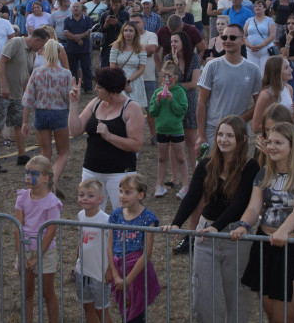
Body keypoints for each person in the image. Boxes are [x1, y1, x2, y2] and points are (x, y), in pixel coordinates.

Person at [162, 115, 259, 323]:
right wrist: (176, 223)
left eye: (229, 136)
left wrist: (217, 227)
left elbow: (240, 203)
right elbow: (193, 195)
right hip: (205, 233)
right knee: (203, 295)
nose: (223, 139)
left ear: (242, 139)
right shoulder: (206, 163)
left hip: (235, 234)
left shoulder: (250, 167)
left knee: (235, 294)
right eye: (220, 134)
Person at [230, 122, 294, 323]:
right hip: (265, 246)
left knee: (285, 318)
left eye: (279, 142)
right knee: (271, 315)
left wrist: (283, 231)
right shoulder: (264, 173)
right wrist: (243, 224)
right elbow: (253, 208)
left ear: (292, 145)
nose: (272, 147)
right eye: (270, 142)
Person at [68, 66, 146, 210]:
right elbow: (74, 130)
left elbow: (136, 145)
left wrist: (109, 136)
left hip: (120, 173)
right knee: (91, 216)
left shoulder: (132, 108)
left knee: (123, 216)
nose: (96, 89)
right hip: (91, 170)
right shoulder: (96, 103)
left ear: (111, 91)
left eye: (99, 87)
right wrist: (73, 103)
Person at [0, 28, 47, 173]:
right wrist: (4, 85)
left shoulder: (30, 52)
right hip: (1, 93)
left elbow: (25, 73)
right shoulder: (15, 43)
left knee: (19, 123)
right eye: (41, 44)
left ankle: (21, 155)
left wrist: (27, 93)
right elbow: (1, 63)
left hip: (17, 94)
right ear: (36, 40)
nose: (41, 48)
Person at [196, 23, 262, 150]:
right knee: (212, 169)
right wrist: (201, 136)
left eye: (232, 37)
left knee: (237, 169)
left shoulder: (253, 70)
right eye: (224, 37)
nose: (227, 41)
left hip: (239, 132)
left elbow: (259, 104)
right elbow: (202, 102)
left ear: (243, 40)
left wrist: (238, 121)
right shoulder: (212, 66)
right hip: (213, 130)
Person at [15, 155, 62, 323]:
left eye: (33, 173)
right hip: (25, 249)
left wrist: (37, 257)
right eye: (26, 172)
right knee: (27, 292)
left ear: (45, 178)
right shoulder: (22, 197)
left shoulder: (52, 202)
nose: (28, 177)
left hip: (45, 251)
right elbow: (17, 226)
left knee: (47, 293)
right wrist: (21, 255)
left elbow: (50, 232)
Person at [107, 174, 160, 323]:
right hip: (119, 270)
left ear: (140, 195)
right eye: (121, 191)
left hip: (137, 273)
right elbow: (110, 246)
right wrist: (116, 276)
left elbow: (147, 253)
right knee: (125, 313)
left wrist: (128, 280)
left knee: (135, 317)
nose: (122, 196)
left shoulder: (148, 218)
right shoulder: (116, 215)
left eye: (128, 192)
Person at [22, 40, 75, 182]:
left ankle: (43, 180)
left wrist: (24, 122)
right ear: (58, 54)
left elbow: (28, 98)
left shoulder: (37, 72)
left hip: (41, 113)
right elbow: (69, 98)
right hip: (60, 113)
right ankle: (53, 180)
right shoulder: (66, 74)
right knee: (63, 152)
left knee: (45, 153)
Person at [74, 178, 111, 323]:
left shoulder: (106, 220)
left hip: (99, 273)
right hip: (82, 270)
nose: (85, 198)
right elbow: (83, 236)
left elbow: (112, 245)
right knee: (87, 306)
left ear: (100, 199)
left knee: (102, 309)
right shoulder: (80, 215)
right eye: (81, 195)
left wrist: (110, 270)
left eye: (90, 195)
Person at [149, 60, 188, 198]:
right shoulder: (158, 92)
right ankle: (159, 186)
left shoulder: (180, 92)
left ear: (176, 77)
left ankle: (185, 186)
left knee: (181, 158)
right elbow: (152, 112)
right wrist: (158, 101)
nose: (167, 79)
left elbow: (182, 111)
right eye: (164, 76)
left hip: (176, 130)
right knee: (161, 158)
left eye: (169, 76)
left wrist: (172, 101)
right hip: (161, 130)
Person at [109, 22, 147, 109]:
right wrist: (123, 82)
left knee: (135, 109)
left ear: (135, 33)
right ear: (122, 32)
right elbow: (112, 65)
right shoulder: (117, 44)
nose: (128, 33)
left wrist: (128, 81)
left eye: (131, 31)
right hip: (118, 80)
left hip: (135, 81)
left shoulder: (140, 47)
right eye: (125, 30)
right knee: (119, 108)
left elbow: (141, 69)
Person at [64, 2, 94, 93]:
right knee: (72, 69)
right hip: (71, 49)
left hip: (84, 49)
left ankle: (88, 88)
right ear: (71, 9)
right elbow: (65, 32)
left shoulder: (87, 19)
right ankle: (75, 87)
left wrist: (78, 36)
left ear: (81, 8)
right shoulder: (67, 20)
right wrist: (77, 39)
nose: (76, 8)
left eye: (77, 7)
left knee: (87, 68)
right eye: (74, 7)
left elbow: (89, 32)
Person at [243, 0, 277, 72]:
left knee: (264, 72)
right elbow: (243, 35)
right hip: (251, 51)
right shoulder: (249, 20)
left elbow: (272, 35)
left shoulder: (269, 20)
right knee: (252, 71)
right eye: (255, 6)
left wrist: (260, 45)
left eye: (260, 6)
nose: (257, 8)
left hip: (265, 51)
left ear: (264, 8)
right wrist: (249, 45)